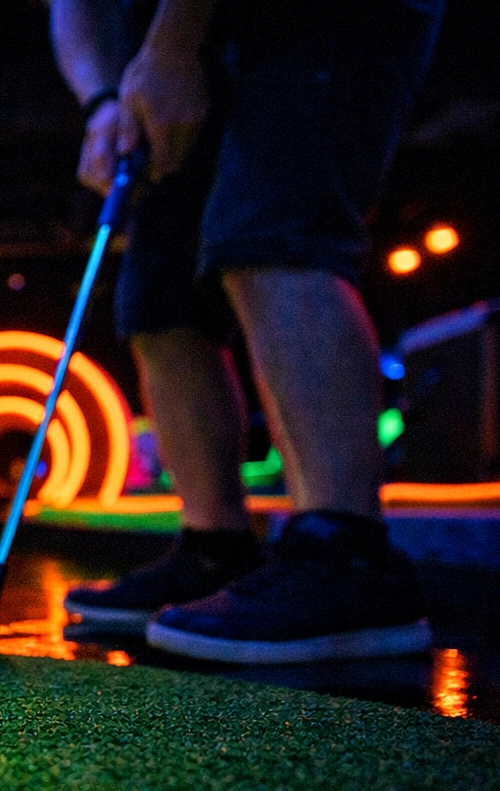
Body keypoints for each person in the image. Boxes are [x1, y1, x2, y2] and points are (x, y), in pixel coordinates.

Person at [51, 0, 445, 663]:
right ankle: (215, 550)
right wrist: (102, 101)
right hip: (187, 43)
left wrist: (172, 47)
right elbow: (75, 9)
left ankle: (346, 554)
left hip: (309, 20)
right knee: (158, 298)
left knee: (270, 232)